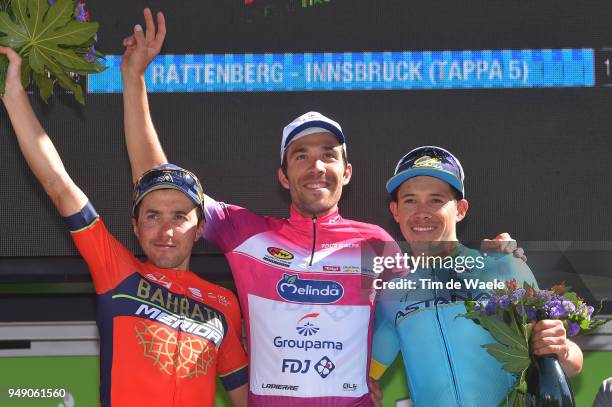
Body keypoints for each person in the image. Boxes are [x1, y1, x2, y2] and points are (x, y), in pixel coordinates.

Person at [0, 47, 248, 407]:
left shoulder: (224, 304)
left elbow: (244, 398)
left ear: (199, 229)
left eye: (179, 217)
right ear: (135, 226)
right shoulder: (117, 271)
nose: (166, 230)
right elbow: (58, 183)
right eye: (152, 216)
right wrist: (13, 95)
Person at [369, 146, 584, 407]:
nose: (422, 211)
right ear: (395, 211)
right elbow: (364, 376)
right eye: (410, 200)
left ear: (460, 209)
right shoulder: (393, 294)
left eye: (436, 200)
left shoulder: (504, 266)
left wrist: (561, 350)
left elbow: (569, 359)